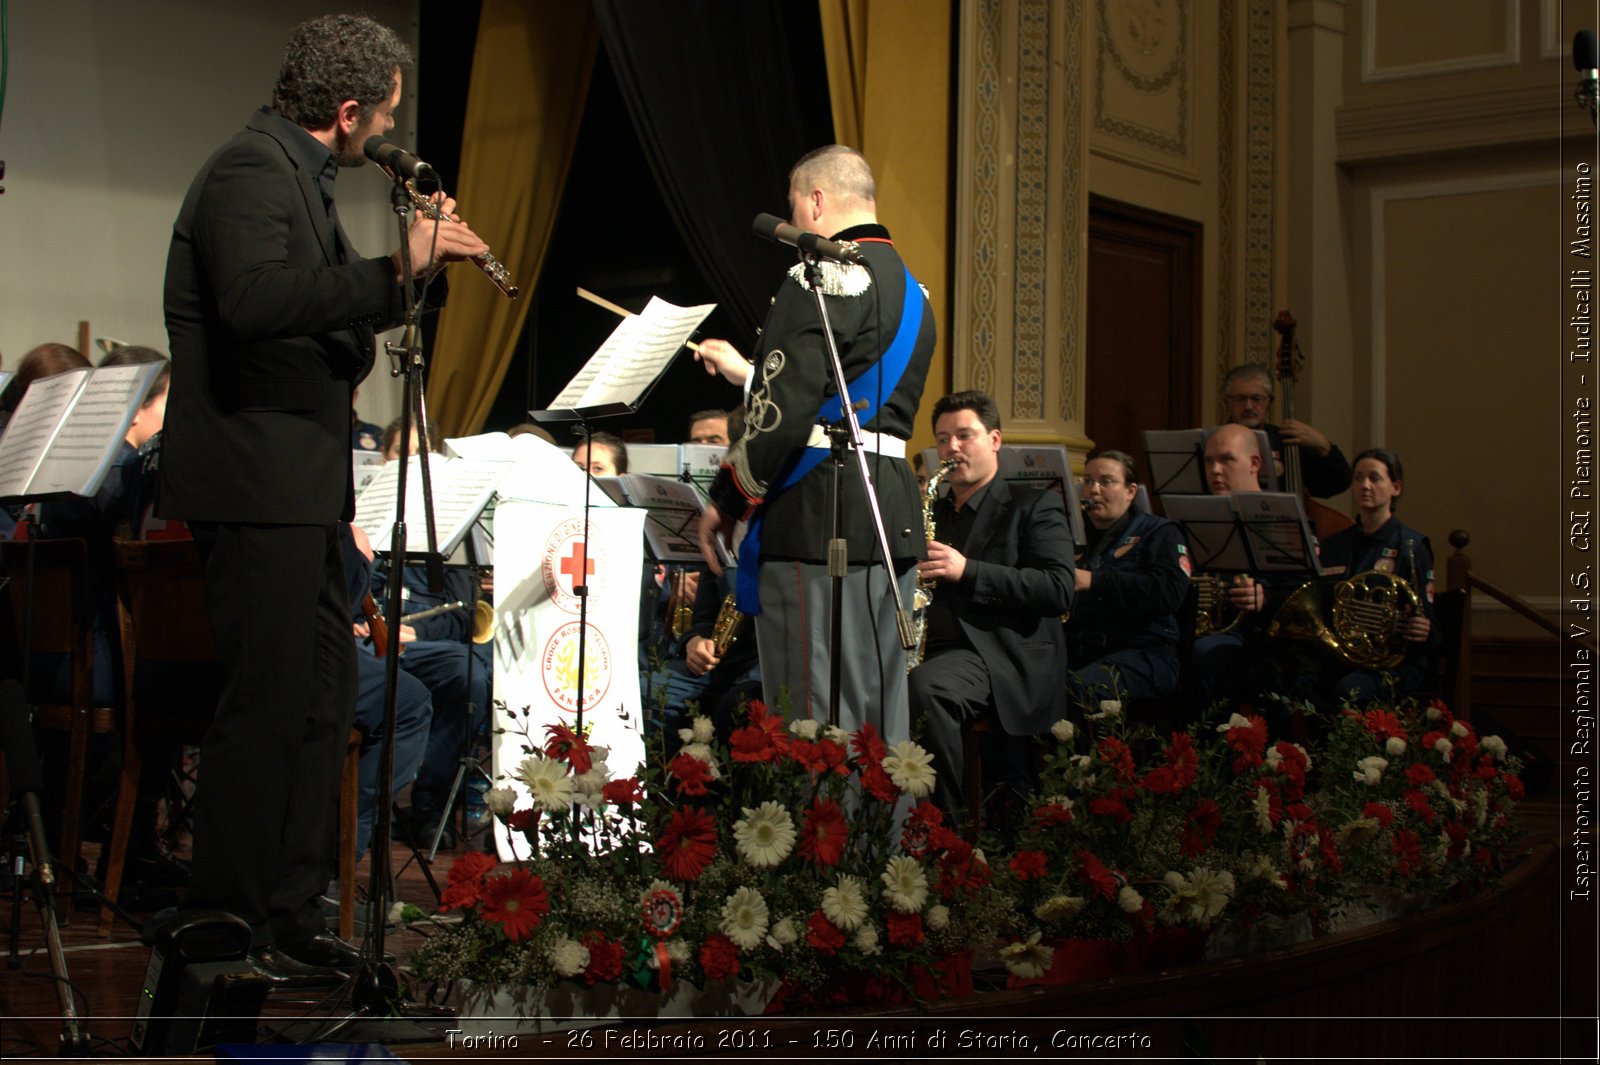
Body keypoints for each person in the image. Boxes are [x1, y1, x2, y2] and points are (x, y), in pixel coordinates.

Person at [157, 13, 486, 984]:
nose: (385, 132)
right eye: (382, 115)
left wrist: (407, 280)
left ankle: (292, 908)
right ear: (348, 112)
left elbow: (329, 323)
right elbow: (258, 302)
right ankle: (225, 906)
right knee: (264, 698)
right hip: (256, 482)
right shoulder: (251, 171)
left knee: (322, 694)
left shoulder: (301, 179)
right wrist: (396, 270)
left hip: (299, 484)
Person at [698, 145, 936, 741]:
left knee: (812, 711)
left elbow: (780, 408)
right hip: (890, 514)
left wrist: (727, 499)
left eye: (795, 207)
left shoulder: (820, 274)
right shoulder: (916, 295)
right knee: (880, 709)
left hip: (817, 513)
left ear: (816, 201)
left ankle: (823, 835)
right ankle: (883, 833)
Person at [908, 391, 1073, 822]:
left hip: (998, 652)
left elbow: (1057, 588)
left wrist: (969, 571)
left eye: (965, 435)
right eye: (943, 440)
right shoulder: (932, 510)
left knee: (928, 688)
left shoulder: (1034, 504)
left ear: (995, 439)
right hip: (933, 646)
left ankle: (942, 827)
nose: (952, 449)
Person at [1287, 448, 1435, 707]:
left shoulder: (1412, 546)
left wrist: (1423, 629)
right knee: (1288, 680)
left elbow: (1430, 624)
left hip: (1391, 665)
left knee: (1349, 690)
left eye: (1375, 478)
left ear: (1395, 488)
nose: (1365, 485)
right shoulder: (1335, 544)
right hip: (1341, 656)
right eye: (1358, 478)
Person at [1067, 449, 1189, 708]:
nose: (1093, 490)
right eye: (1087, 481)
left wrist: (1095, 581)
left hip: (1143, 654)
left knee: (1081, 689)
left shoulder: (1160, 532)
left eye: (1106, 481)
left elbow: (1169, 592)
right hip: (1084, 649)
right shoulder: (1074, 535)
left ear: (1131, 491)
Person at [1222, 363, 1351, 499]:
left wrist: (1324, 445)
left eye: (1256, 399)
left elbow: (1337, 484)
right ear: (1228, 403)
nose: (1248, 406)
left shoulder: (1287, 440)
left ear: (1269, 402)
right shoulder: (1213, 443)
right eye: (1240, 399)